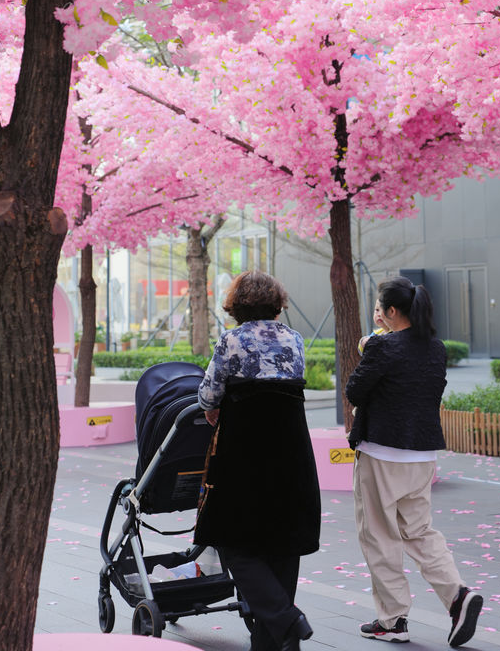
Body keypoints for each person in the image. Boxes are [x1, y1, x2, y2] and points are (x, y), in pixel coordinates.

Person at [346, 277, 483, 647]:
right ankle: (457, 596)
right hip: (422, 456)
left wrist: (369, 350)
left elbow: (354, 390)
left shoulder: (382, 346)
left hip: (381, 454)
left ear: (392, 311)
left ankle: (392, 620)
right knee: (419, 532)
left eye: (380, 307)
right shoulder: (436, 349)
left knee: (379, 534)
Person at [194, 270, 321, 651]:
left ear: (237, 304)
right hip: (292, 453)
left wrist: (215, 408)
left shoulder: (232, 340)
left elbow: (208, 395)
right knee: (282, 546)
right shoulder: (294, 340)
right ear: (276, 302)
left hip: (244, 455)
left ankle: (286, 620)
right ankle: (280, 642)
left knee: (231, 539)